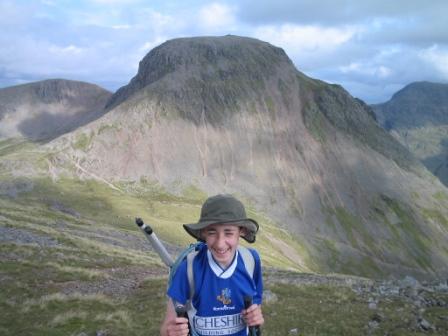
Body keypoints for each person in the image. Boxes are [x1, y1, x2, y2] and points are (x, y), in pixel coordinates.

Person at [160, 194, 264, 336]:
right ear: (203, 233)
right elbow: (167, 327)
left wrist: (256, 316)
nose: (220, 244)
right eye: (212, 232)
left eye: (229, 233)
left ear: (242, 231)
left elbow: (255, 306)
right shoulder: (188, 269)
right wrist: (170, 333)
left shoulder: (251, 260)